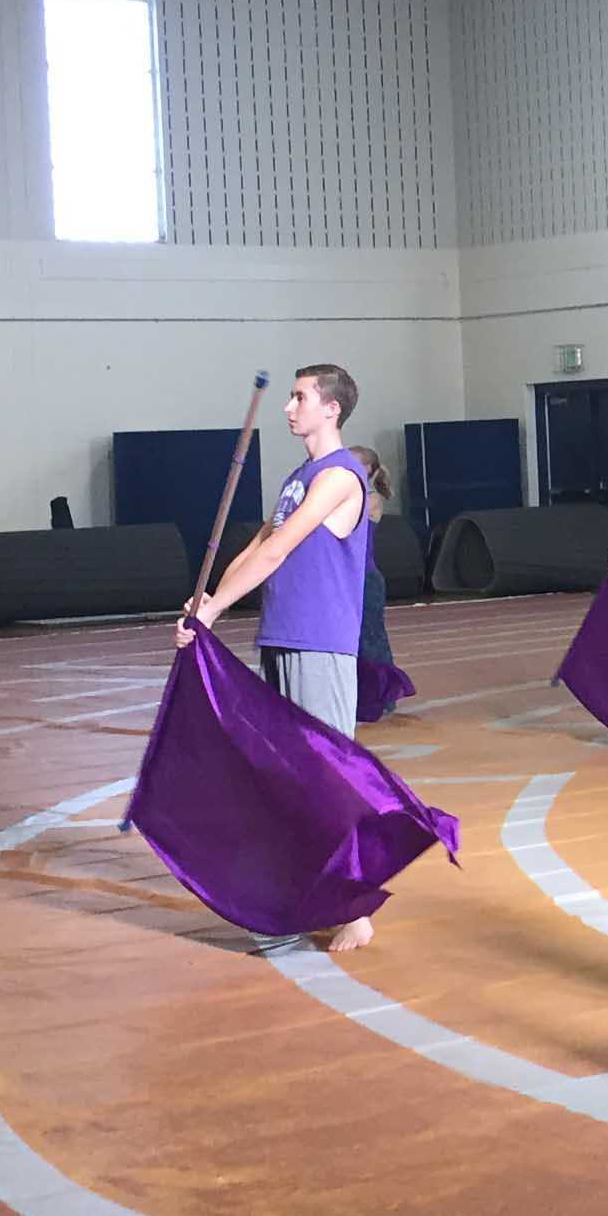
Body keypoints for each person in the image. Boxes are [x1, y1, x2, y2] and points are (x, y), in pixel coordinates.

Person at [181, 362, 381, 949]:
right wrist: (209, 599)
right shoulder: (300, 476)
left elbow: (282, 550)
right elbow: (260, 544)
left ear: (330, 408)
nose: (290, 408)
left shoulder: (340, 477)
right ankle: (303, 893)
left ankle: (357, 907)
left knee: (326, 778)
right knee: (286, 777)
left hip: (321, 644)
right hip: (281, 637)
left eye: (300, 398)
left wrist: (213, 613)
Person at [355, 447, 403, 720]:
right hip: (346, 579)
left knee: (371, 638)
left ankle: (383, 695)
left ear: (369, 472)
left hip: (366, 578)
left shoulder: (371, 500)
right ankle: (360, 693)